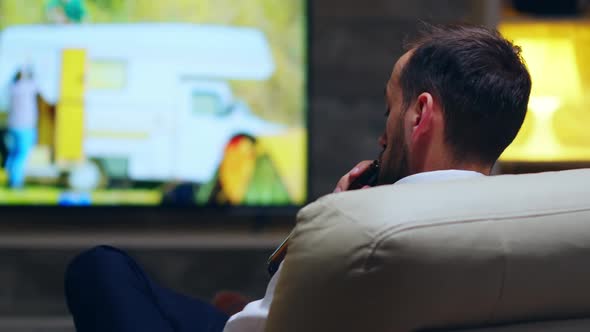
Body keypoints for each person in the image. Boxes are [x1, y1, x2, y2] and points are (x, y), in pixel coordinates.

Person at [64, 24, 531, 332]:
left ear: (420, 113)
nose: (381, 134)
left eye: (389, 109)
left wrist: (328, 222)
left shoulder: (357, 227)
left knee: (101, 266)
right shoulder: (528, 230)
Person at [5, 70, 40, 189]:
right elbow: (36, 82)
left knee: (14, 154)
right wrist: (31, 69)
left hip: (13, 125)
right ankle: (16, 182)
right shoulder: (27, 87)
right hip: (25, 126)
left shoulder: (12, 87)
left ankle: (11, 178)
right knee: (21, 155)